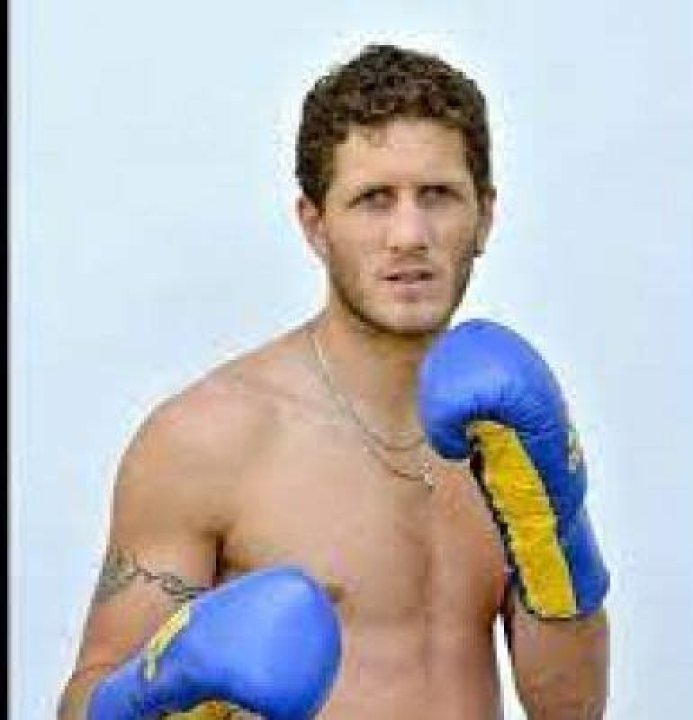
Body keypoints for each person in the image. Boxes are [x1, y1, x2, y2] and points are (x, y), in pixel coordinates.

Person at [58, 43, 610, 719]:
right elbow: (85, 699)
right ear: (315, 226)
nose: (409, 234)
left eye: (437, 196)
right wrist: (157, 695)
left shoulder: (508, 428)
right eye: (374, 200)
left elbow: (570, 709)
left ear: (485, 216)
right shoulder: (210, 439)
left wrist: (561, 543)